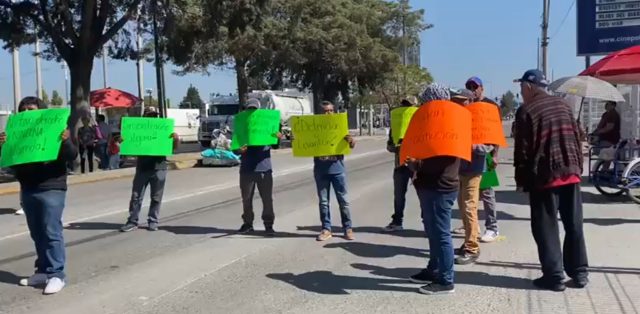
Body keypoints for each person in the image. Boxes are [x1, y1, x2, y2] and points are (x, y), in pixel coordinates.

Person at [514, 69, 588, 292]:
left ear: (528, 87)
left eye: (521, 88)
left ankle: (554, 276)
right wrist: (578, 166)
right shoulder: (565, 105)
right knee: (574, 225)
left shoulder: (527, 110)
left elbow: (523, 150)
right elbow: (578, 136)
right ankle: (580, 272)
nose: (521, 93)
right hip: (571, 172)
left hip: (545, 176)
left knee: (546, 227)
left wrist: (522, 180)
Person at [0, 96, 78, 295]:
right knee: (37, 233)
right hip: (28, 188)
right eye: (23, 109)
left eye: (31, 108)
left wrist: (66, 140)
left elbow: (71, 156)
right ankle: (42, 271)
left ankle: (57, 275)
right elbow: (9, 162)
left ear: (41, 111)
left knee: (51, 232)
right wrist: (4, 145)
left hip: (52, 187)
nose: (27, 112)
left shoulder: (56, 130)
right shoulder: (17, 132)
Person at [406, 83, 460, 295]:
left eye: (426, 101)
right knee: (432, 231)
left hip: (441, 186)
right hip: (428, 185)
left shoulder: (448, 123)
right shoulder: (434, 122)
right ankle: (434, 269)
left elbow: (442, 158)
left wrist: (417, 165)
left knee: (441, 233)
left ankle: (446, 280)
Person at [451, 85, 495, 266]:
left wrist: (471, 146)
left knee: (469, 206)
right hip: (459, 169)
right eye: (455, 102)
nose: (458, 105)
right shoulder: (456, 119)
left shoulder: (480, 119)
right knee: (463, 206)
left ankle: (472, 247)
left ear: (470, 101)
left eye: (461, 101)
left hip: (474, 169)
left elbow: (489, 145)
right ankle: (470, 239)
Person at [120, 107, 180, 232]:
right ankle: (132, 220)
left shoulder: (163, 130)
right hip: (143, 167)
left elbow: (173, 149)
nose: (152, 117)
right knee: (136, 196)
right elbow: (128, 148)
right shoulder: (139, 131)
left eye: (154, 115)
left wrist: (175, 139)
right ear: (144, 116)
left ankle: (153, 221)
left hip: (159, 167)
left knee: (156, 196)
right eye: (150, 115)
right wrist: (124, 141)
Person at [463, 76, 501, 243]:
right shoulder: (467, 106)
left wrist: (495, 155)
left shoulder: (491, 105)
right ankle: (473, 225)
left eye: (475, 86)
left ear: (482, 88)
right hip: (468, 153)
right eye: (470, 86)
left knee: (486, 192)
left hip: (485, 152)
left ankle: (492, 227)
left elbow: (496, 131)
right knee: (470, 193)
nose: (473, 89)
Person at [235, 99, 280, 236]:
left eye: (254, 109)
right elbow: (235, 148)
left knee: (267, 199)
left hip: (264, 168)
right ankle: (248, 223)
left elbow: (276, 145)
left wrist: (278, 138)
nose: (252, 111)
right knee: (246, 199)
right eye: (249, 109)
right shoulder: (241, 124)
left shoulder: (267, 123)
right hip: (247, 169)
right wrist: (239, 150)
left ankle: (268, 225)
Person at [314, 101, 357, 241]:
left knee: (343, 201)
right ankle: (326, 229)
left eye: (331, 110)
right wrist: (296, 140)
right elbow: (302, 143)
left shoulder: (340, 127)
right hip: (321, 171)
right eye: (325, 111)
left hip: (338, 170)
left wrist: (351, 141)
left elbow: (351, 146)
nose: (328, 113)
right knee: (324, 202)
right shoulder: (313, 129)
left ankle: (347, 228)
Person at [382, 96, 418, 232]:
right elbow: (389, 146)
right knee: (398, 196)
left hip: (416, 166)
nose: (405, 108)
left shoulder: (419, 123)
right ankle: (397, 221)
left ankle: (427, 222)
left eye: (408, 105)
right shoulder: (396, 126)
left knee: (422, 195)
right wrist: (397, 147)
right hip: (400, 165)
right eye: (403, 105)